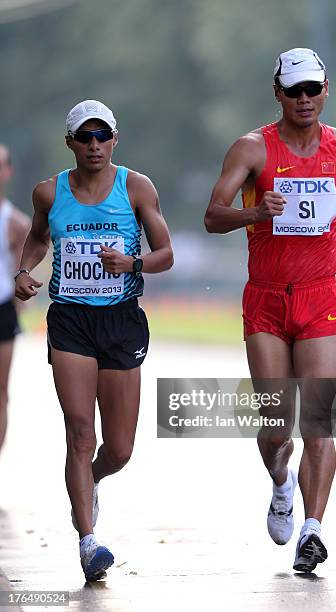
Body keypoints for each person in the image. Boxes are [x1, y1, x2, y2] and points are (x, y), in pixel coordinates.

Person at [204, 48, 336, 573]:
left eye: (312, 89)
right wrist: (256, 210)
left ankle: (313, 530)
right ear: (277, 92)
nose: (304, 98)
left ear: (326, 91)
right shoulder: (252, 150)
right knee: (278, 424)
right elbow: (212, 215)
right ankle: (281, 481)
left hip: (321, 295)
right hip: (268, 299)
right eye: (293, 90)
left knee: (319, 417)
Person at [15, 100, 173, 582]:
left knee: (119, 448)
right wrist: (24, 270)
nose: (94, 144)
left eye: (103, 135)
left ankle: (94, 478)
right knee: (80, 432)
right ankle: (88, 543)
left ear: (115, 140)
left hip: (121, 321)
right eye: (85, 137)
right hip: (70, 322)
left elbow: (166, 253)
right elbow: (39, 238)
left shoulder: (136, 187)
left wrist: (132, 264)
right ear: (71, 143)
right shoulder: (49, 192)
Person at [0, 144, 30, 454]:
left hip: (2, 310)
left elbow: (22, 272)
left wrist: (18, 308)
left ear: (7, 172)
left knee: (1, 393)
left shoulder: (16, 223)